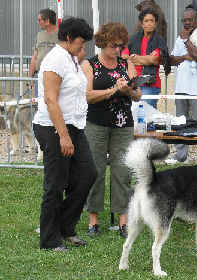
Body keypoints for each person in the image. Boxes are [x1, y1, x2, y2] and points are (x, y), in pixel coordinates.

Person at [32, 17, 96, 252]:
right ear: (68, 38)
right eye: (81, 42)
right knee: (55, 184)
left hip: (75, 126)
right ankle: (49, 240)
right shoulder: (54, 61)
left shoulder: (71, 58)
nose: (84, 47)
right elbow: (50, 99)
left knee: (87, 174)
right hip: (53, 128)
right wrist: (63, 136)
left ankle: (66, 227)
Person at [81, 22, 142, 238]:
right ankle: (93, 220)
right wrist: (112, 90)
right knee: (95, 171)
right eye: (115, 45)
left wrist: (128, 91)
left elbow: (138, 95)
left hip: (123, 125)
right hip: (96, 124)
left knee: (122, 172)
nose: (119, 50)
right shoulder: (89, 65)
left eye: (121, 46)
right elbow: (87, 95)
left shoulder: (126, 64)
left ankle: (123, 221)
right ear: (103, 44)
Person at [165, 7, 197, 165]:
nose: (186, 23)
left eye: (189, 20)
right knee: (180, 122)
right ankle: (180, 155)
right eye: (184, 20)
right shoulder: (181, 37)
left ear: (196, 20)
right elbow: (171, 59)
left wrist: (186, 42)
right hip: (181, 87)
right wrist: (186, 55)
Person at [122, 8, 170, 109]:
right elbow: (124, 57)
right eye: (146, 21)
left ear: (156, 23)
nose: (149, 24)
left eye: (152, 21)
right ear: (142, 24)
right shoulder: (133, 39)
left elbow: (154, 60)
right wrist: (146, 59)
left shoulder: (159, 40)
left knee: (146, 114)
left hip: (151, 84)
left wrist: (135, 58)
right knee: (133, 114)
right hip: (133, 82)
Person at [29, 9, 58, 98]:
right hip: (40, 75)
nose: (38, 22)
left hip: (55, 75)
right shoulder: (39, 35)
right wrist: (30, 78)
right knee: (40, 103)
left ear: (47, 21)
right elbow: (35, 57)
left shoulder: (61, 35)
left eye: (39, 20)